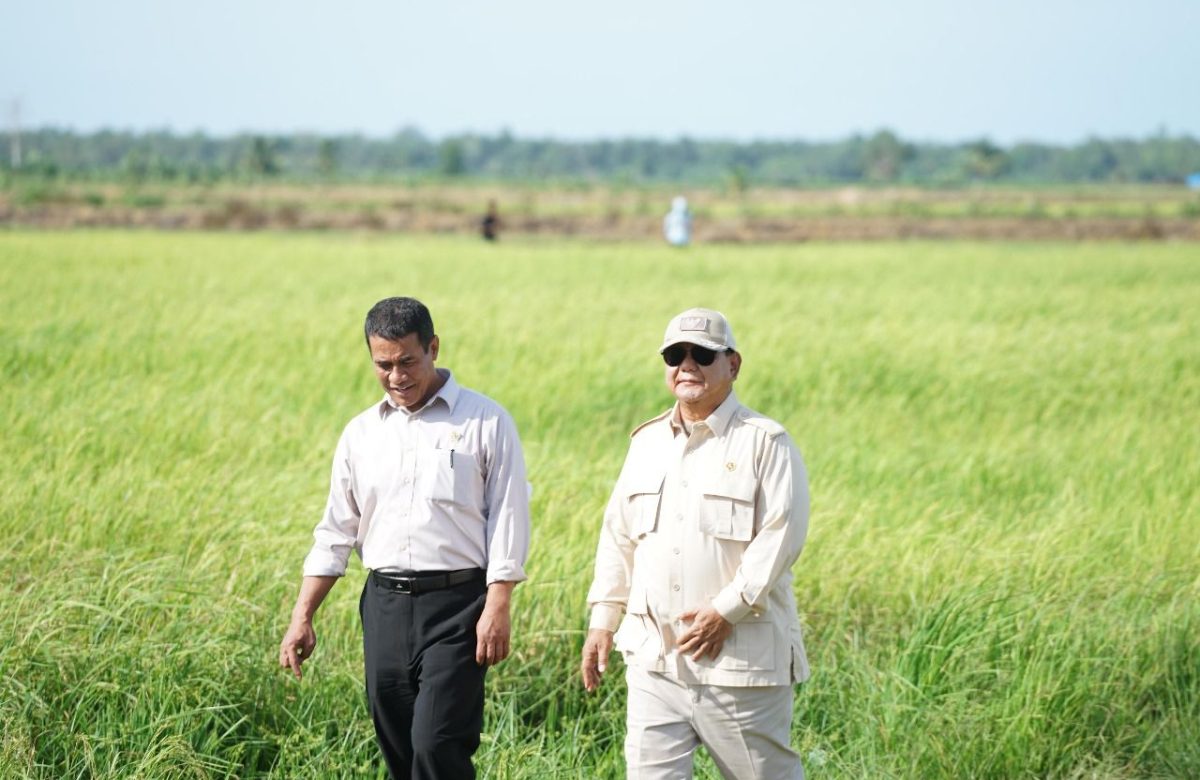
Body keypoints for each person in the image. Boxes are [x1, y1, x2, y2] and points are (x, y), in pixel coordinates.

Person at [278, 296, 531, 780]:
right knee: (398, 747)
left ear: (433, 348)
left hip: (458, 607)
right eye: (384, 365)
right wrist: (302, 615)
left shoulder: (485, 421)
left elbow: (508, 517)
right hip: (385, 606)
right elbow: (336, 530)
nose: (397, 376)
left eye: (408, 362)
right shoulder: (360, 434)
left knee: (437, 745)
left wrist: (498, 605)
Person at [581, 307, 810, 779]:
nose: (687, 365)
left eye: (702, 354)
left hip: (740, 668)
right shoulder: (645, 443)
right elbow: (619, 537)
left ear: (733, 364)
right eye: (675, 354)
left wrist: (725, 611)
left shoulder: (766, 443)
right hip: (655, 663)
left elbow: (781, 537)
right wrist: (603, 619)